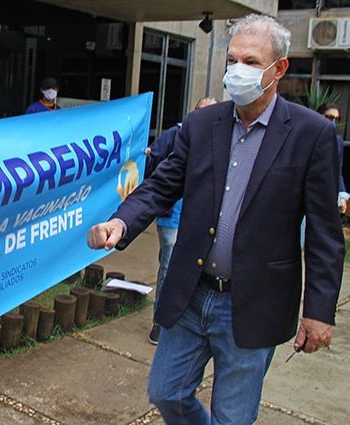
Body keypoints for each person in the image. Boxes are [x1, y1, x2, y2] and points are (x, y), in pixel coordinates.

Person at [87, 14, 343, 425]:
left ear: (279, 68)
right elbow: (162, 184)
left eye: (251, 61)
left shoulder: (311, 134)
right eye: (232, 59)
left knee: (233, 417)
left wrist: (318, 311)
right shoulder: (203, 123)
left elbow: (325, 234)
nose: (238, 70)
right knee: (166, 392)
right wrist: (122, 222)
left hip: (253, 302)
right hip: (192, 292)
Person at [145, 97, 218, 345]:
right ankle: (160, 321)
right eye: (201, 113)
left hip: (203, 217)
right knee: (169, 265)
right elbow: (153, 162)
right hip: (173, 217)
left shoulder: (223, 141)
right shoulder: (176, 135)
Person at [317, 102, 349, 214]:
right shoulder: (306, 137)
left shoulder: (338, 141)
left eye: (337, 119)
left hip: (327, 196)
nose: (333, 122)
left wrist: (342, 195)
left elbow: (337, 170)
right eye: (330, 117)